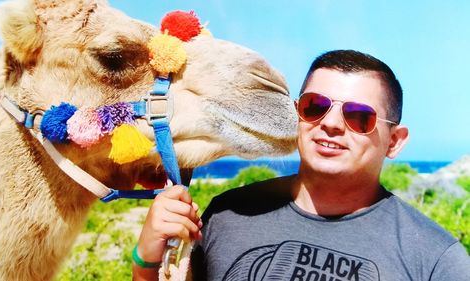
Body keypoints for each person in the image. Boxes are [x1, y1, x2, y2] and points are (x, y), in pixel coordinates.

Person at [133, 50, 470, 280]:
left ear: (394, 141)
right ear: (297, 113)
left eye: (358, 116)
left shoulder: (436, 259)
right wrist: (148, 257)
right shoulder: (229, 214)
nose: (332, 124)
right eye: (315, 106)